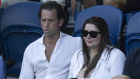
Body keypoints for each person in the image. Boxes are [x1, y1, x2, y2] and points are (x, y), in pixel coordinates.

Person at [19, 1, 82, 79]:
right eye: (43, 20)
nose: (46, 25)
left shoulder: (76, 43)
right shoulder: (31, 49)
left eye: (51, 20)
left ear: (60, 22)